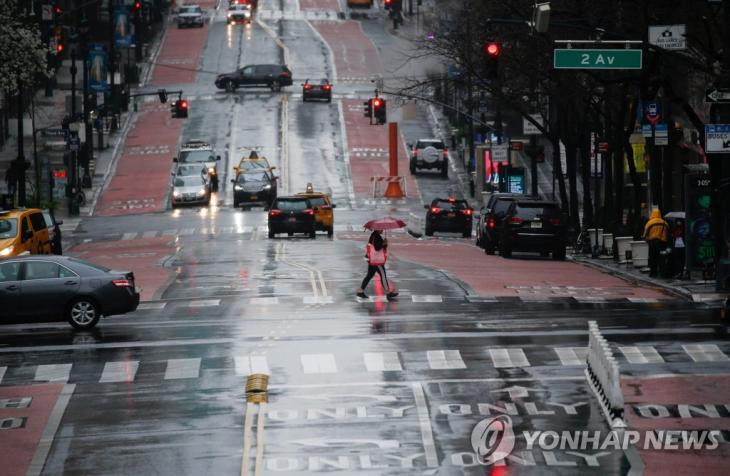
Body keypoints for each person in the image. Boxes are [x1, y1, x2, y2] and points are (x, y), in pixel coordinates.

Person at [357, 230, 398, 300]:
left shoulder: (373, 235)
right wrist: (384, 243)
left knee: (369, 275)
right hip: (377, 260)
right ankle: (388, 293)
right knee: (383, 275)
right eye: (381, 229)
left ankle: (360, 291)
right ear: (378, 229)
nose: (382, 230)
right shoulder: (376, 236)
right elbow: (377, 248)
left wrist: (384, 244)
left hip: (372, 259)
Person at [642, 208, 669, 278]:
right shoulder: (664, 223)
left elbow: (645, 234)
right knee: (661, 258)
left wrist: (646, 239)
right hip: (662, 243)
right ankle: (662, 272)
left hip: (653, 243)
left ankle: (653, 273)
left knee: (653, 258)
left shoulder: (650, 223)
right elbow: (668, 233)